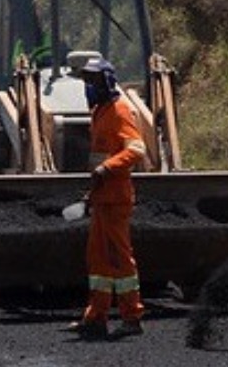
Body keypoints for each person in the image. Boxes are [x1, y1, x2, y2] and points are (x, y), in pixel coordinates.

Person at [65, 57, 147, 340]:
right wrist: (91, 193)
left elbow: (136, 149)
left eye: (94, 80)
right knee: (97, 260)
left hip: (117, 200)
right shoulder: (99, 112)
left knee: (121, 260)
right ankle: (96, 317)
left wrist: (107, 167)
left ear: (108, 82)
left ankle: (132, 316)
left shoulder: (120, 111)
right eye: (87, 81)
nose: (89, 86)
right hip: (101, 199)